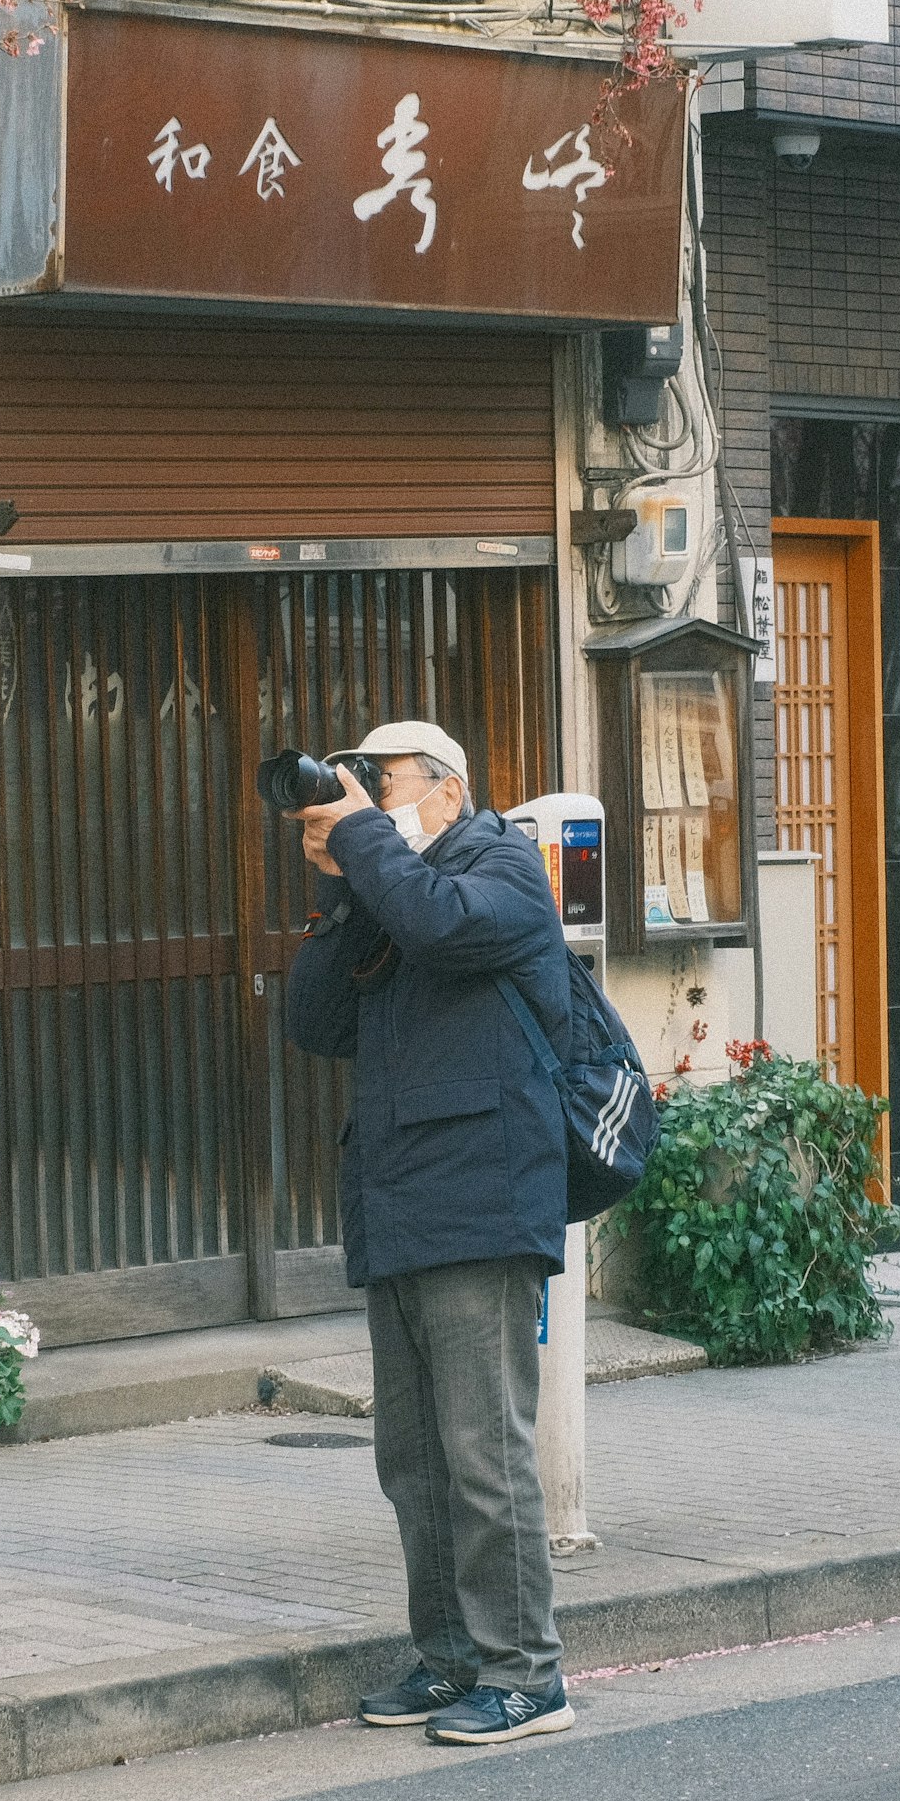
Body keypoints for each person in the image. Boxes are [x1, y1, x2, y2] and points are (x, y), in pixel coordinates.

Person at [285, 720, 581, 1747]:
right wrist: (341, 892)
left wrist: (366, 846)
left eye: (382, 781)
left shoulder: (497, 864)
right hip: (400, 1197)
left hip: (482, 1198)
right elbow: (315, 1023)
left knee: (484, 1450)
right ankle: (453, 1655)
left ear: (447, 791)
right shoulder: (390, 887)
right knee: (412, 1460)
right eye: (353, 782)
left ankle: (526, 1674)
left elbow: (447, 929)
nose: (363, 797)